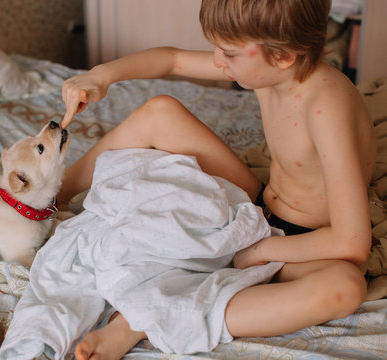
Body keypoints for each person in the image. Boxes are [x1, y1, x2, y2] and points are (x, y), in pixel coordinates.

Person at [59, 0, 377, 359]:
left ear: (283, 55)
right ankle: (53, 193)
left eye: (228, 52)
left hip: (303, 242)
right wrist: (101, 76)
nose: (217, 60)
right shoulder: (268, 66)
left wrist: (261, 251)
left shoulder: (326, 107)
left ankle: (147, 320)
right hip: (259, 206)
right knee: (161, 112)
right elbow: (173, 60)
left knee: (344, 289)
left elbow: (352, 242)